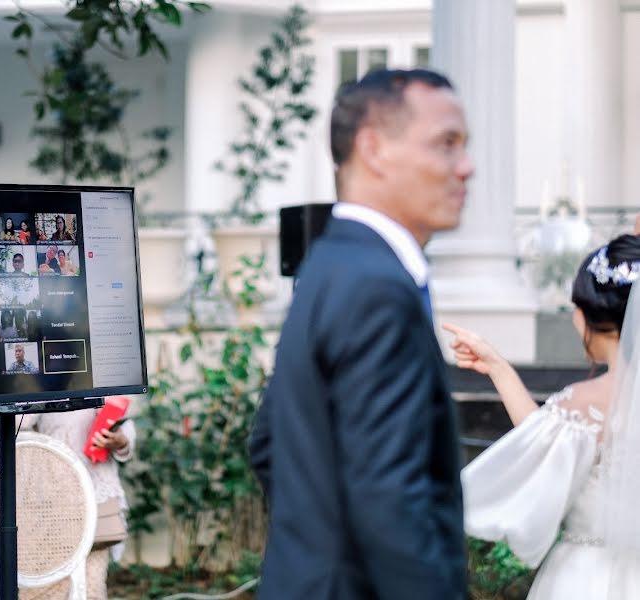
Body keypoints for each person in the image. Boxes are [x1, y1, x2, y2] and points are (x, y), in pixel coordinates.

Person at [248, 69, 473, 600]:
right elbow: (391, 497)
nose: (466, 167)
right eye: (446, 145)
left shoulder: (329, 263)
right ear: (374, 150)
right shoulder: (377, 285)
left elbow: (267, 443)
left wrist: (316, 548)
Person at [448, 234, 640, 598]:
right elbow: (545, 438)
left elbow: (535, 449)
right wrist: (498, 367)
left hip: (586, 579)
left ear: (590, 316)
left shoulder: (586, 401)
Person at [17, 399, 135, 599]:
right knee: (46, 585)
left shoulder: (99, 376)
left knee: (91, 585)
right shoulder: (40, 380)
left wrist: (119, 440)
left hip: (95, 494)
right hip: (51, 499)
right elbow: (18, 424)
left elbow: (124, 427)